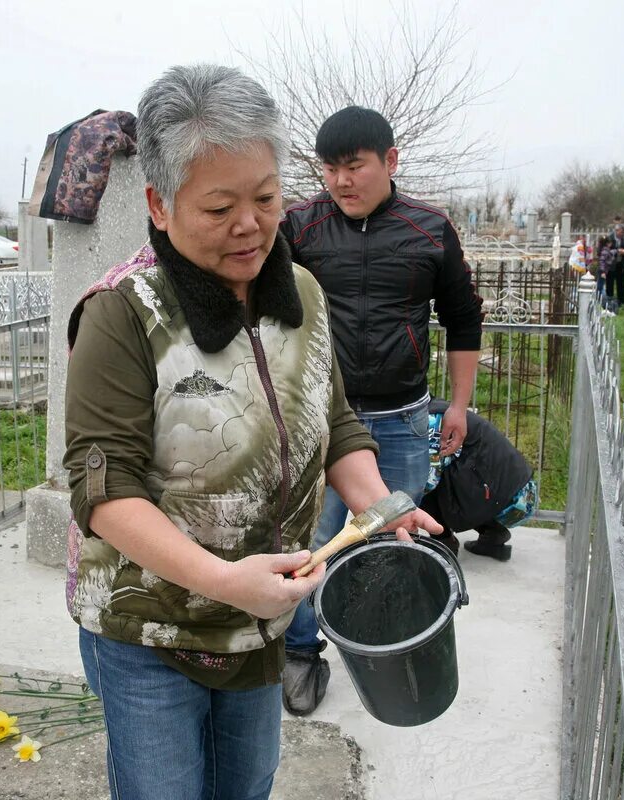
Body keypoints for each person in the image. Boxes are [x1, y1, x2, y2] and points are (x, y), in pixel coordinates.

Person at [63, 66, 440, 800]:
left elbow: (331, 421)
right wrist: (223, 582)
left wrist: (380, 507)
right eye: (219, 206)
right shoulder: (123, 313)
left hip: (260, 624)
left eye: (266, 198)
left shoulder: (298, 291)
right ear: (159, 204)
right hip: (151, 633)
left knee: (247, 787)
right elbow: (103, 492)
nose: (251, 225)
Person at [279, 105, 483, 717]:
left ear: (390, 161)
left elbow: (463, 316)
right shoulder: (300, 228)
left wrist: (462, 406)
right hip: (321, 420)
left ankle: (388, 642)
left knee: (396, 536)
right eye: (330, 168)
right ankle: (300, 653)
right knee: (312, 542)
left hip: (400, 419)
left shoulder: (428, 228)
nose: (342, 181)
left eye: (355, 166)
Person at [420, 399, 535, 562]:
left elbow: (428, 481)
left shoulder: (431, 418)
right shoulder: (439, 408)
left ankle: (443, 544)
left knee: (421, 481)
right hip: (517, 494)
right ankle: (493, 534)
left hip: (513, 500)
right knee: (438, 472)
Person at [606, 223, 624, 309]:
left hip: (620, 263)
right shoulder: (610, 238)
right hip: (611, 263)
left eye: (623, 232)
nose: (622, 234)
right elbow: (606, 250)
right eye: (621, 232)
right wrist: (616, 250)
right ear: (616, 231)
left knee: (621, 283)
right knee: (610, 282)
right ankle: (609, 299)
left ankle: (621, 301)